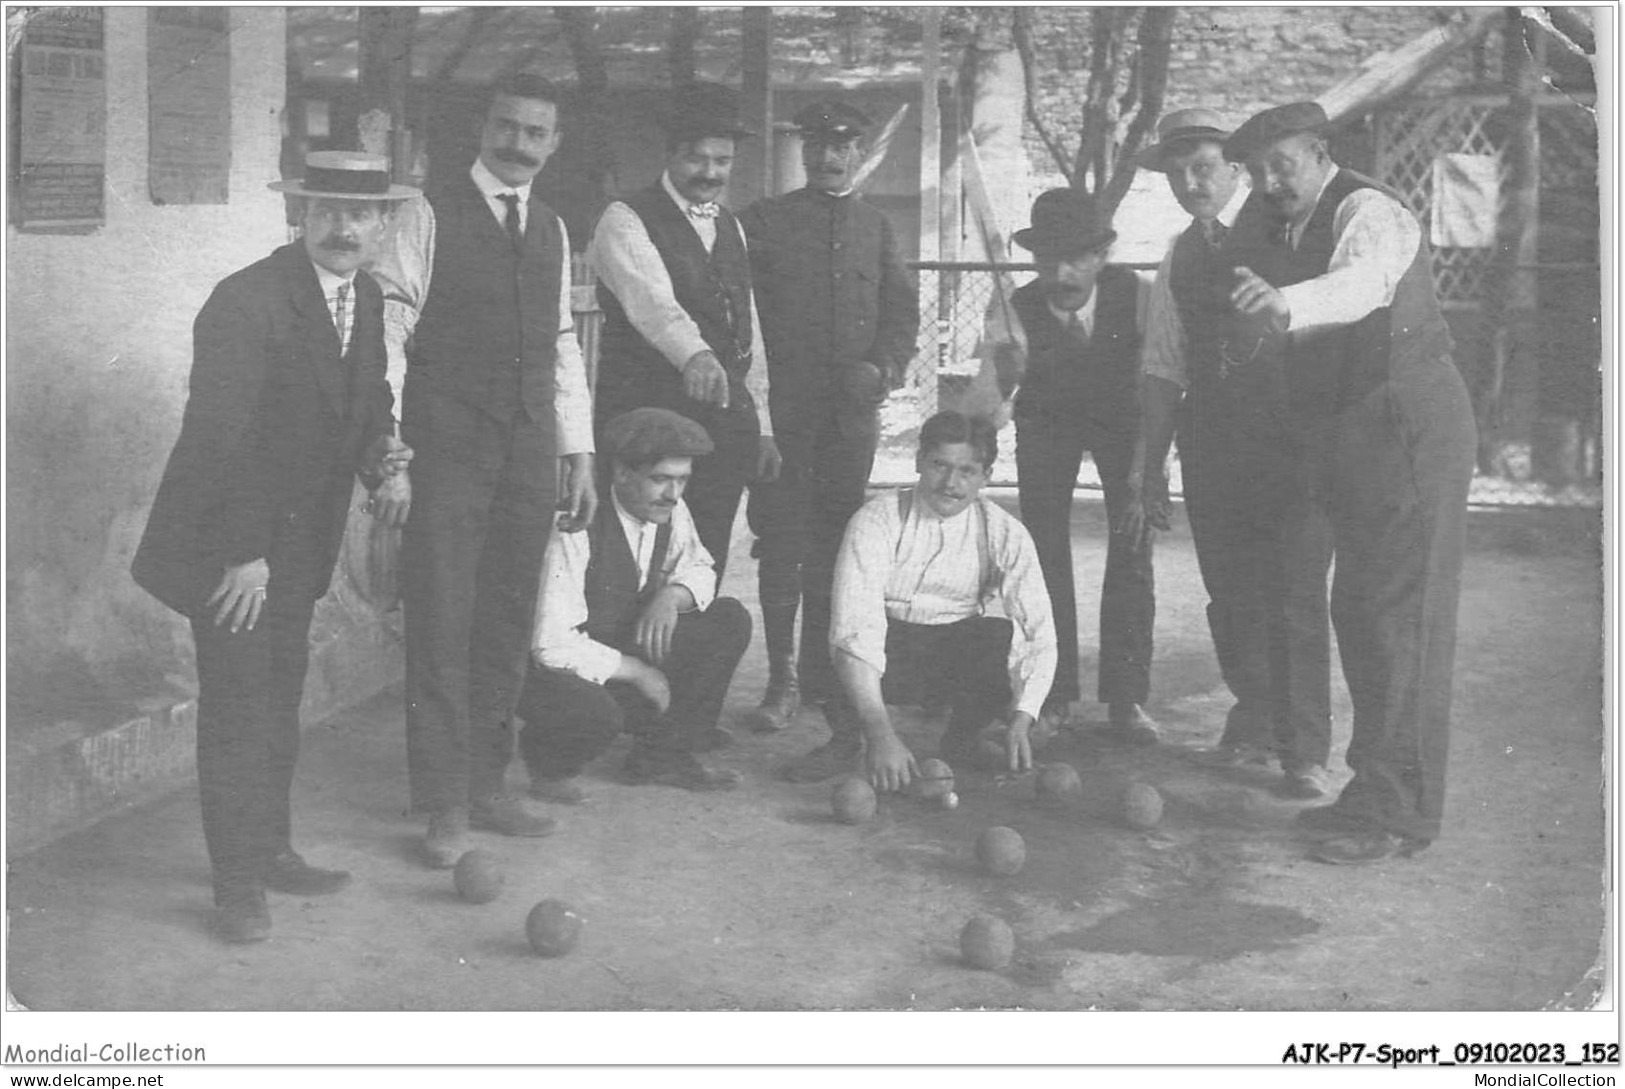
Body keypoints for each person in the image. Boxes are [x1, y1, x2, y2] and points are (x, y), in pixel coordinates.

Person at [131, 151, 417, 942]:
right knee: (236, 709)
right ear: (300, 214)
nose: (342, 227)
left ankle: (271, 850)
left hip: (295, 550)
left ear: (384, 224)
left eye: (360, 213)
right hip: (232, 549)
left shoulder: (361, 294)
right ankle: (234, 887)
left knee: (278, 700)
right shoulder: (246, 300)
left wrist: (382, 451)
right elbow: (223, 438)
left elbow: (368, 397)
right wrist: (243, 551)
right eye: (326, 208)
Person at [1222, 102, 1476, 864]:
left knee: (1397, 617)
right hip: (1353, 436)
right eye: (1258, 171)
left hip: (1407, 427)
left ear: (1319, 152)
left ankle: (1398, 814)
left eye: (1284, 165)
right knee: (1363, 611)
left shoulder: (1368, 208)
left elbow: (1362, 284)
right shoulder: (1279, 227)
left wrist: (1286, 304)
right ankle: (1371, 792)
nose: (1271, 182)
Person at [370, 74, 598, 868]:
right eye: (507, 126)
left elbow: (562, 341)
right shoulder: (425, 213)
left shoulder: (553, 227)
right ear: (484, 127)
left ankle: (487, 784)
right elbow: (390, 327)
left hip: (529, 451)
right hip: (447, 449)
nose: (519, 144)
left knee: (506, 620)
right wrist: (392, 441)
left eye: (536, 132)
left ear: (552, 143)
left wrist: (578, 448)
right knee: (441, 621)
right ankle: (442, 802)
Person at [1136, 108, 1336, 799]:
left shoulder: (1286, 231)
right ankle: (1253, 717)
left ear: (1234, 169)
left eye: (1203, 167)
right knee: (1231, 595)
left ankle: (1304, 749)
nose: (1190, 182)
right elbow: (1163, 364)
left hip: (1290, 444)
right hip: (1213, 445)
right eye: (1175, 171)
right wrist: (1149, 463)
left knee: (1296, 594)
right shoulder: (1178, 254)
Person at [738, 99, 920, 742]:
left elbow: (901, 316)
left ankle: (821, 678)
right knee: (781, 544)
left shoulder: (877, 226)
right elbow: (743, 314)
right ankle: (781, 679)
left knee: (836, 547)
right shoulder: (765, 220)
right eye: (816, 145)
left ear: (858, 153)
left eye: (841, 145)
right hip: (784, 418)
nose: (827, 156)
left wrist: (885, 369)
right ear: (803, 151)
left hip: (849, 422)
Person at [981, 189, 1160, 745]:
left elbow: (1158, 389)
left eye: (1076, 256)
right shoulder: (1012, 307)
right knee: (1043, 552)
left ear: (1102, 255)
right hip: (1048, 424)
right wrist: (1007, 378)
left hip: (1123, 423)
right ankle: (1050, 696)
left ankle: (1126, 700)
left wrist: (1144, 476)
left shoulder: (1140, 297)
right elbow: (991, 404)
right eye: (1048, 257)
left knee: (1132, 545)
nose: (1060, 271)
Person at [588, 81, 780, 595]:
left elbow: (748, 327)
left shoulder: (732, 227)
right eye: (698, 159)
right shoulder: (625, 218)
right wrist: (695, 354)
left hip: (721, 430)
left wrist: (760, 423)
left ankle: (689, 674)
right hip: (645, 418)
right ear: (671, 154)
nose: (711, 173)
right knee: (639, 558)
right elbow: (653, 304)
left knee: (704, 562)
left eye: (723, 161)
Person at [814, 411, 1057, 791]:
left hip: (950, 652)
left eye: (966, 471)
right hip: (885, 645)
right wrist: (882, 736)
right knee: (829, 619)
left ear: (986, 477)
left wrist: (1023, 718)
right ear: (918, 462)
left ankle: (961, 741)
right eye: (939, 465)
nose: (950, 484)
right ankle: (847, 740)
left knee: (999, 634)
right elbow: (857, 629)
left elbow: (1037, 630)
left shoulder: (1005, 531)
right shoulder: (876, 520)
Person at [518, 408, 749, 794]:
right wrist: (639, 672)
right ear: (623, 473)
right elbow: (550, 644)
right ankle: (549, 767)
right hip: (556, 666)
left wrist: (673, 596)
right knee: (595, 715)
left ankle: (662, 755)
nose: (673, 495)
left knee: (728, 619)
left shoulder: (670, 510)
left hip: (617, 646)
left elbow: (701, 566)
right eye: (660, 480)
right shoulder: (574, 525)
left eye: (682, 481)